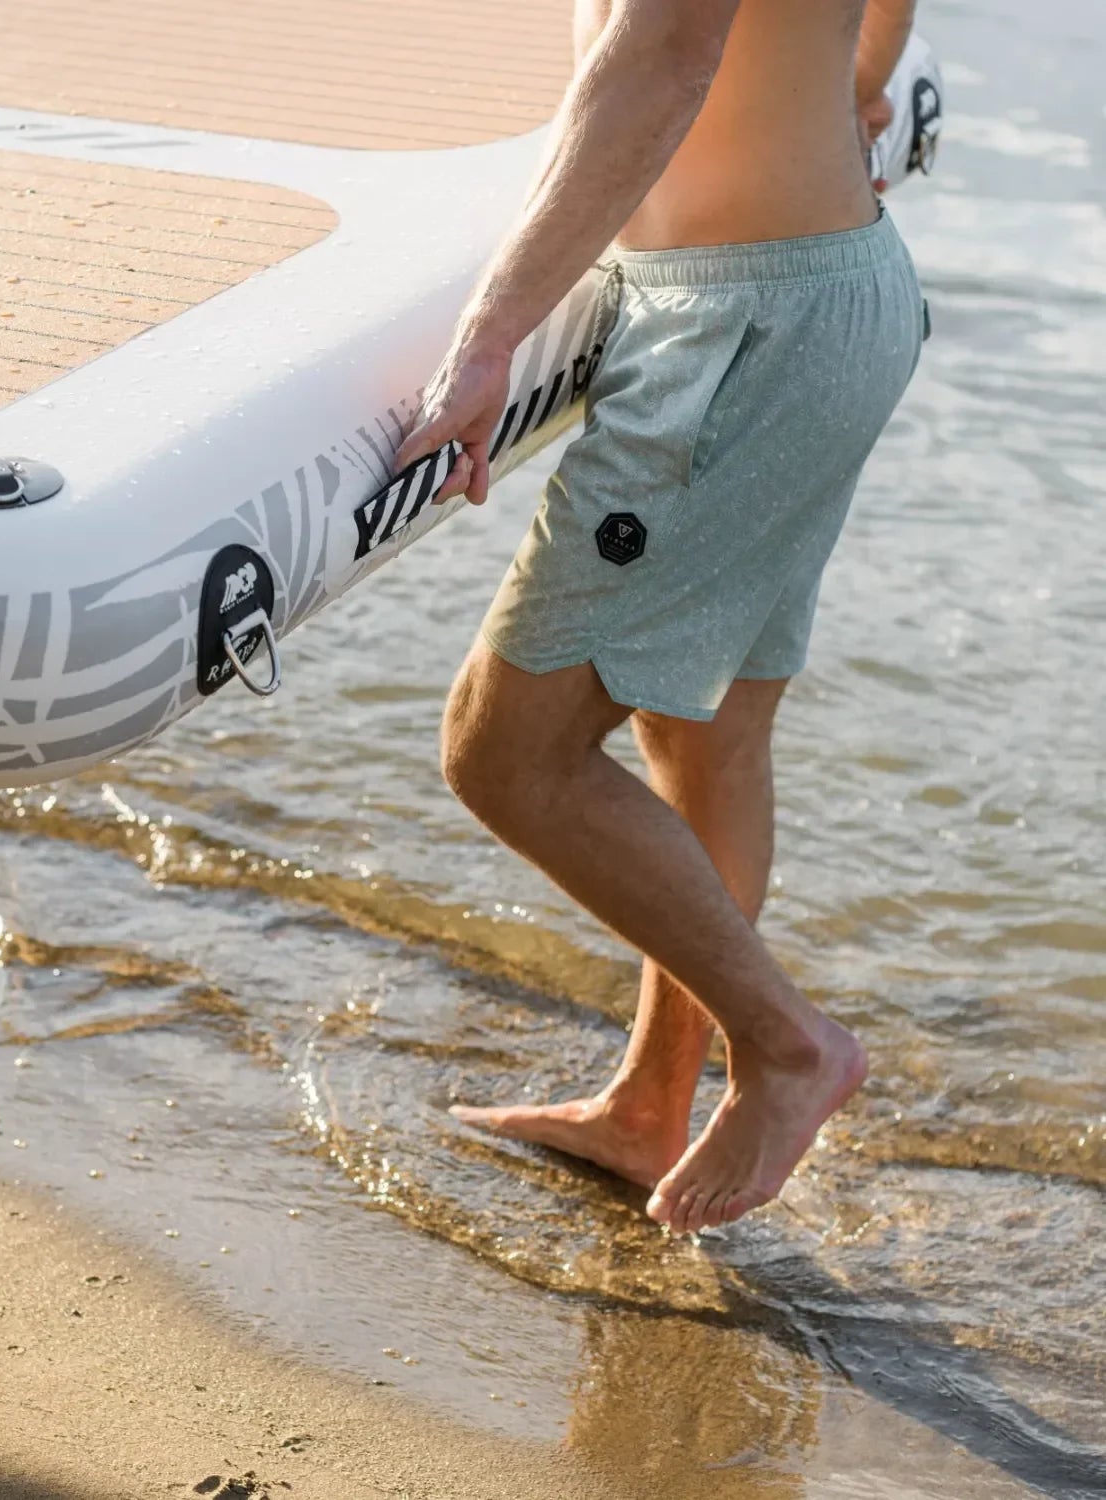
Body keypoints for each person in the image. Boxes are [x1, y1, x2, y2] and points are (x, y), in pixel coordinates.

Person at [391, 0, 925, 1235]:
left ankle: (786, 1047)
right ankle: (650, 1105)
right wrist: (855, 78)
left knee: (505, 749)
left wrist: (489, 337)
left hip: (737, 329)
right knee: (707, 740)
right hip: (818, 298)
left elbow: (665, 53)